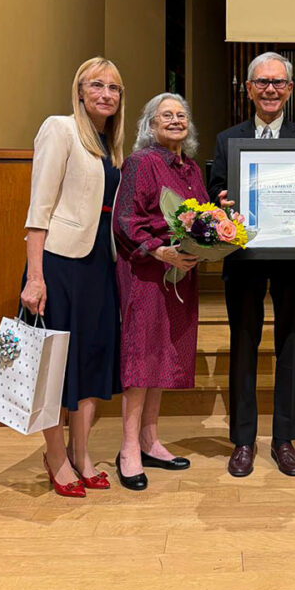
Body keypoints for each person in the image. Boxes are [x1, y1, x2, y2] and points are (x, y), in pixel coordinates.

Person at [207, 52, 295, 478]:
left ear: (290, 89)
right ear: (249, 89)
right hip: (245, 259)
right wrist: (221, 203)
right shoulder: (227, 139)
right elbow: (215, 189)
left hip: (293, 260)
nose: (270, 89)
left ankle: (286, 439)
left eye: (278, 82)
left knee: (291, 342)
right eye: (262, 82)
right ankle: (243, 440)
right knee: (243, 342)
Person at [20, 57, 126, 498]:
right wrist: (36, 277)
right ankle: (56, 456)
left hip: (100, 264)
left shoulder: (110, 144)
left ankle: (82, 454)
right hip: (60, 265)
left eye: (114, 88)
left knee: (90, 359)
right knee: (53, 365)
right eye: (96, 85)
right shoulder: (59, 129)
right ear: (80, 90)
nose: (106, 94)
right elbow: (38, 210)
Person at [113, 92, 208, 491]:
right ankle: (128, 448)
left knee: (163, 353)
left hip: (179, 275)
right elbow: (126, 220)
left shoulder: (191, 169)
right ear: (149, 126)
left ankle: (151, 440)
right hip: (148, 271)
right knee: (142, 358)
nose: (174, 120)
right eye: (165, 115)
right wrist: (159, 251)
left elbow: (202, 216)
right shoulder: (141, 162)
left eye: (181, 115)